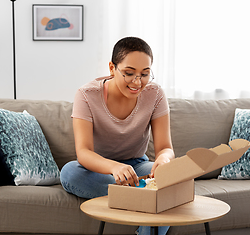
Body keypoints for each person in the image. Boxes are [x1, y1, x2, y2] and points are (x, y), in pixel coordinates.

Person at [60, 37, 174, 235]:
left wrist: (164, 160)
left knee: (172, 179)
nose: (138, 82)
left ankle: (141, 197)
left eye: (145, 74)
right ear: (112, 68)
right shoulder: (87, 95)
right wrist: (115, 167)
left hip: (138, 167)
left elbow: (165, 148)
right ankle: (145, 194)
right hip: (100, 169)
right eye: (129, 73)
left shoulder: (155, 94)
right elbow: (84, 153)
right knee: (70, 173)